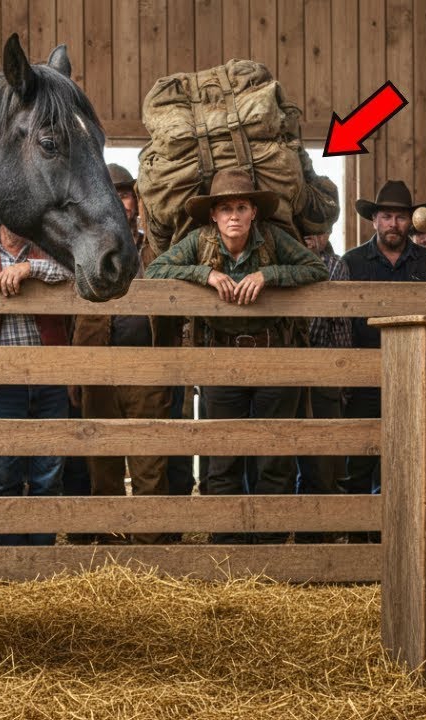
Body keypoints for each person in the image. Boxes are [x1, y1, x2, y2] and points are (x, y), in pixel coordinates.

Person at [146, 168, 327, 544]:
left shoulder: (273, 239)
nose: (233, 215)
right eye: (225, 208)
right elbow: (155, 269)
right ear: (213, 214)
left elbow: (316, 268)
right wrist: (204, 276)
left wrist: (269, 275)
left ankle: (270, 545)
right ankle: (226, 546)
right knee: (222, 457)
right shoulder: (200, 242)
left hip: (272, 358)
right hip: (219, 361)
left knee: (273, 456)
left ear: (253, 213)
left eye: (241, 207)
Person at [71, 164, 171, 544]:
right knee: (102, 462)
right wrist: (77, 372)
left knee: (149, 463)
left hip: (146, 370)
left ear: (136, 201)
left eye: (125, 194)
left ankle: (148, 550)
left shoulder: (154, 249)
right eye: (111, 193)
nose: (119, 201)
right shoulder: (84, 247)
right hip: (98, 368)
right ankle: (111, 552)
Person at [0, 225, 73, 546]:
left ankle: (41, 558)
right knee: (2, 473)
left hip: (49, 379)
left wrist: (29, 268)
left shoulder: (48, 245)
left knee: (48, 473)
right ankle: (7, 558)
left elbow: (73, 271)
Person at [336, 181, 426, 503]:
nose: (393, 224)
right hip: (365, 374)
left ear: (411, 222)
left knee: (408, 454)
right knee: (360, 456)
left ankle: (399, 530)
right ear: (374, 220)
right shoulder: (351, 262)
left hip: (414, 374)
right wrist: (347, 374)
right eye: (386, 217)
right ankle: (359, 538)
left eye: (400, 217)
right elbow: (341, 322)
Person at [295, 227, 349, 543]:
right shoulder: (287, 261)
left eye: (318, 230)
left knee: (323, 459)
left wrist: (341, 376)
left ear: (328, 232)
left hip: (324, 369)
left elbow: (340, 325)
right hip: (288, 368)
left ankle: (316, 535)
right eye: (305, 228)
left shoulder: (336, 266)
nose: (310, 236)